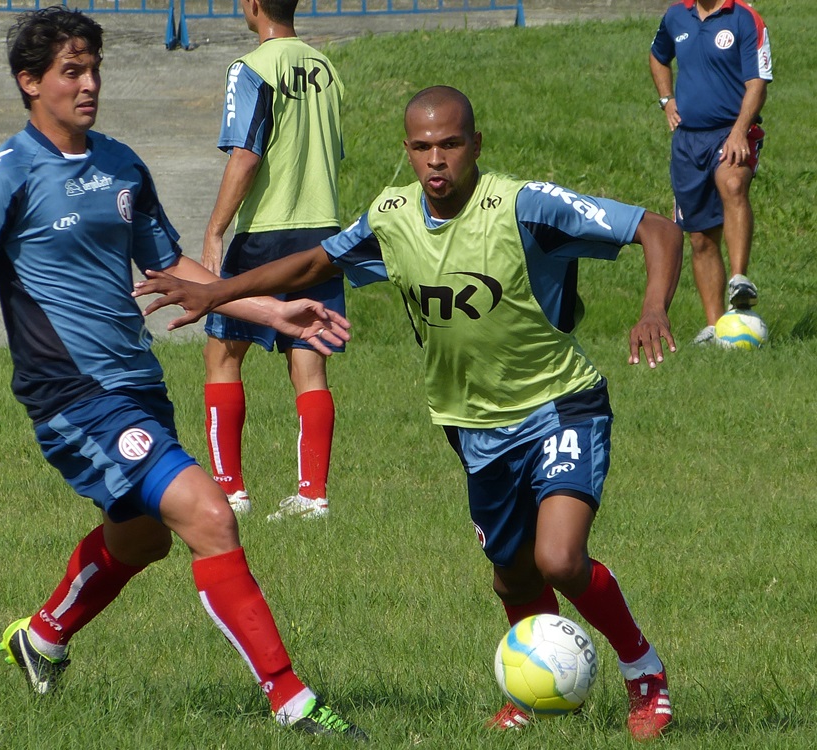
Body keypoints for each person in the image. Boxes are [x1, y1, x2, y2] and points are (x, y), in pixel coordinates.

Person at [136, 86, 683, 740]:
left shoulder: (524, 207)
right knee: (512, 574)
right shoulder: (391, 216)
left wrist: (653, 309)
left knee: (560, 557)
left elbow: (656, 228)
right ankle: (530, 691)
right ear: (407, 151)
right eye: (422, 147)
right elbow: (317, 259)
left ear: (475, 145)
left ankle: (643, 671)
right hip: (472, 426)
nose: (436, 160)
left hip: (561, 406)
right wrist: (218, 290)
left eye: (450, 144)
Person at [0, 7, 366, 740]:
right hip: (70, 395)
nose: (89, 83)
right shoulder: (8, 174)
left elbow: (171, 267)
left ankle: (42, 637)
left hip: (137, 387)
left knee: (141, 539)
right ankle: (292, 702)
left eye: (94, 67)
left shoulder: (122, 164)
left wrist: (269, 312)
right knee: (210, 516)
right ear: (29, 83)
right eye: (71, 71)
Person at [200, 0, 346, 520]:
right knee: (309, 361)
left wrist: (215, 229)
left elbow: (247, 152)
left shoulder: (251, 68)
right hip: (323, 232)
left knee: (223, 356)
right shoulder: (326, 68)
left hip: (265, 231)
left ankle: (228, 489)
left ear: (252, 5)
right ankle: (312, 495)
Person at [649, 0, 772, 345]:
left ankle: (739, 279)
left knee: (732, 182)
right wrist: (666, 100)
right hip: (688, 141)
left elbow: (758, 84)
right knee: (700, 237)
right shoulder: (676, 15)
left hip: (733, 130)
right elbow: (658, 56)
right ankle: (716, 326)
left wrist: (738, 130)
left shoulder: (744, 18)